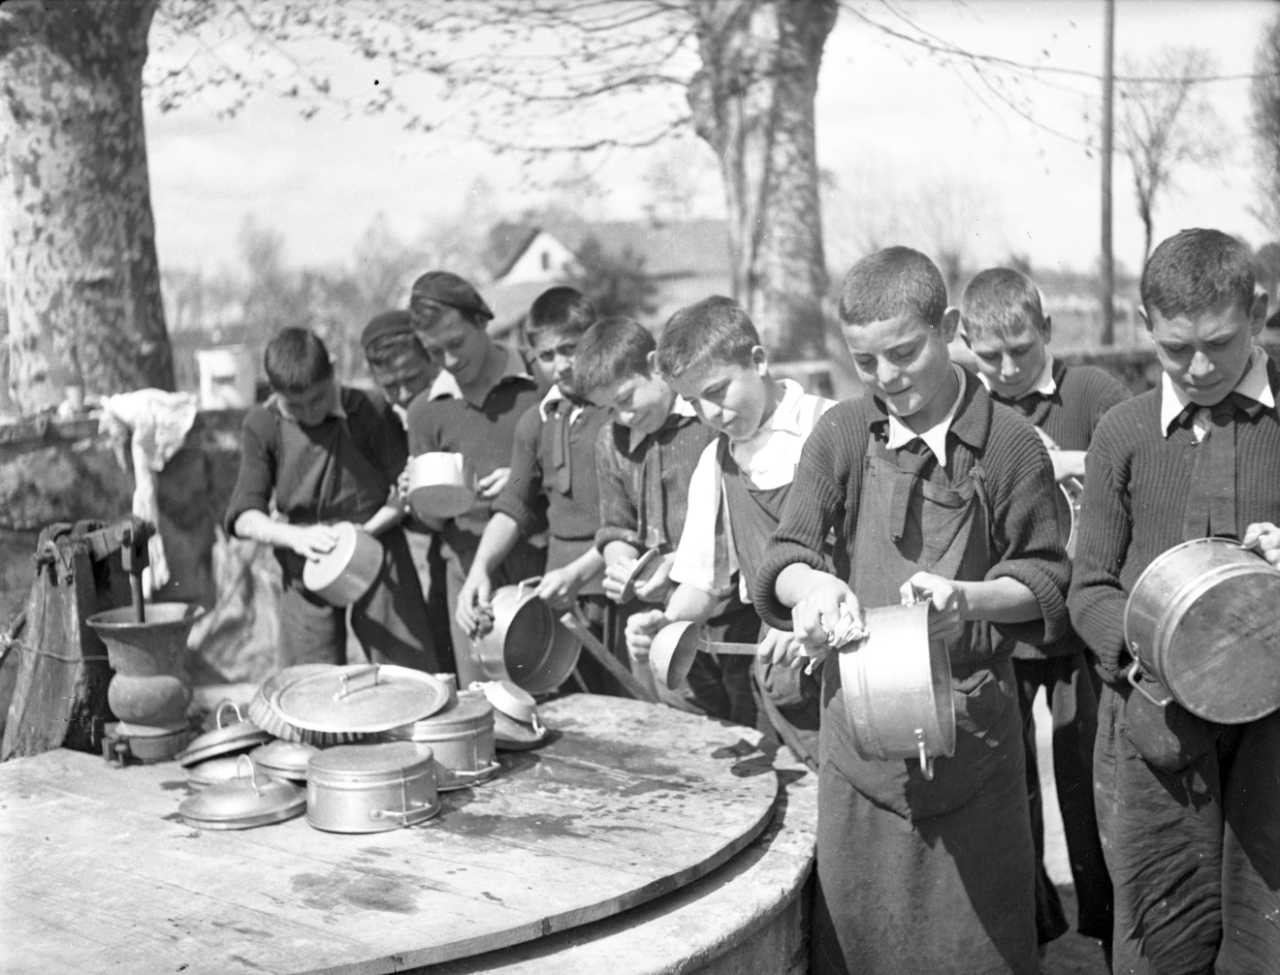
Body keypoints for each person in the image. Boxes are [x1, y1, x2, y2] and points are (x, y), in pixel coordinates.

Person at [753, 246, 1070, 975]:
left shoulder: (1009, 445)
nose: (887, 378)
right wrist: (812, 589)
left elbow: (1047, 582)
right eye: (865, 362)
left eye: (904, 353)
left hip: (973, 741)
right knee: (861, 943)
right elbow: (786, 555)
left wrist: (970, 598)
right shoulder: (842, 433)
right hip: (859, 741)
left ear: (949, 328)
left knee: (977, 953)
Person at [1068, 228, 1280, 974]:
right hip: (1154, 724)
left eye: (1219, 343)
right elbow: (1090, 585)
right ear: (1145, 325)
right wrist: (1153, 661)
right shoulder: (1124, 433)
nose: (1198, 368)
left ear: (1260, 311)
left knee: (1267, 925)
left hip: (1273, 729)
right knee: (1163, 920)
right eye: (1174, 349)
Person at [958, 267, 1121, 958]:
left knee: (1090, 781)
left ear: (1048, 330)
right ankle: (1028, 932)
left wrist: (1069, 460)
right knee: (1007, 785)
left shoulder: (1093, 392)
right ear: (966, 345)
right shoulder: (967, 408)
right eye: (989, 355)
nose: (1007, 369)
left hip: (1079, 627)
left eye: (1021, 349)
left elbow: (1138, 463)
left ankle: (1109, 929)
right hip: (1004, 626)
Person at [625, 296, 836, 764]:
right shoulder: (717, 462)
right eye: (694, 402)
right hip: (787, 685)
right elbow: (703, 582)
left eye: (718, 391)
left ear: (758, 361)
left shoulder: (832, 425)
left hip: (855, 667)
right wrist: (666, 622)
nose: (711, 414)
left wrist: (813, 613)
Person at [575, 315, 757, 723]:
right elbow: (617, 525)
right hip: (668, 620)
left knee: (754, 725)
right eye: (609, 410)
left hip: (736, 614)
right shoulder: (611, 441)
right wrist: (622, 565)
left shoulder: (709, 420)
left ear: (654, 366)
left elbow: (740, 520)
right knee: (689, 727)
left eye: (626, 399)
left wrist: (679, 565)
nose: (623, 417)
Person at [224, 326, 439, 671]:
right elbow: (245, 517)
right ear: (274, 392)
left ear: (334, 371)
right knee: (308, 683)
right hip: (306, 555)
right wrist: (296, 537)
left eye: (319, 399)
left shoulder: (369, 408)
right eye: (296, 406)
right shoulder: (262, 424)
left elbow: (405, 490)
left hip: (378, 544)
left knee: (408, 670)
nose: (310, 413)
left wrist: (364, 533)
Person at [454, 287, 622, 692]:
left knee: (635, 708)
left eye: (570, 349)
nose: (561, 365)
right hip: (562, 600)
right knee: (573, 708)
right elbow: (514, 504)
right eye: (547, 356)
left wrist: (584, 572)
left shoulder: (622, 412)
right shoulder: (535, 423)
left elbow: (636, 518)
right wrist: (480, 569)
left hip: (621, 588)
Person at [405, 271, 546, 687]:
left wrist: (524, 481)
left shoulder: (538, 382)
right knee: (484, 700)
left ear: (482, 321)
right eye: (434, 352)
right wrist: (426, 498)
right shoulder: (425, 412)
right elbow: (433, 523)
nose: (449, 361)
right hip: (469, 575)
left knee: (556, 692)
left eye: (456, 343)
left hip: (539, 561)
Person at [360, 309, 456, 672]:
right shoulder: (386, 416)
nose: (402, 394)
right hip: (437, 552)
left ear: (432, 357)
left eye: (412, 378)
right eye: (390, 386)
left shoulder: (456, 400)